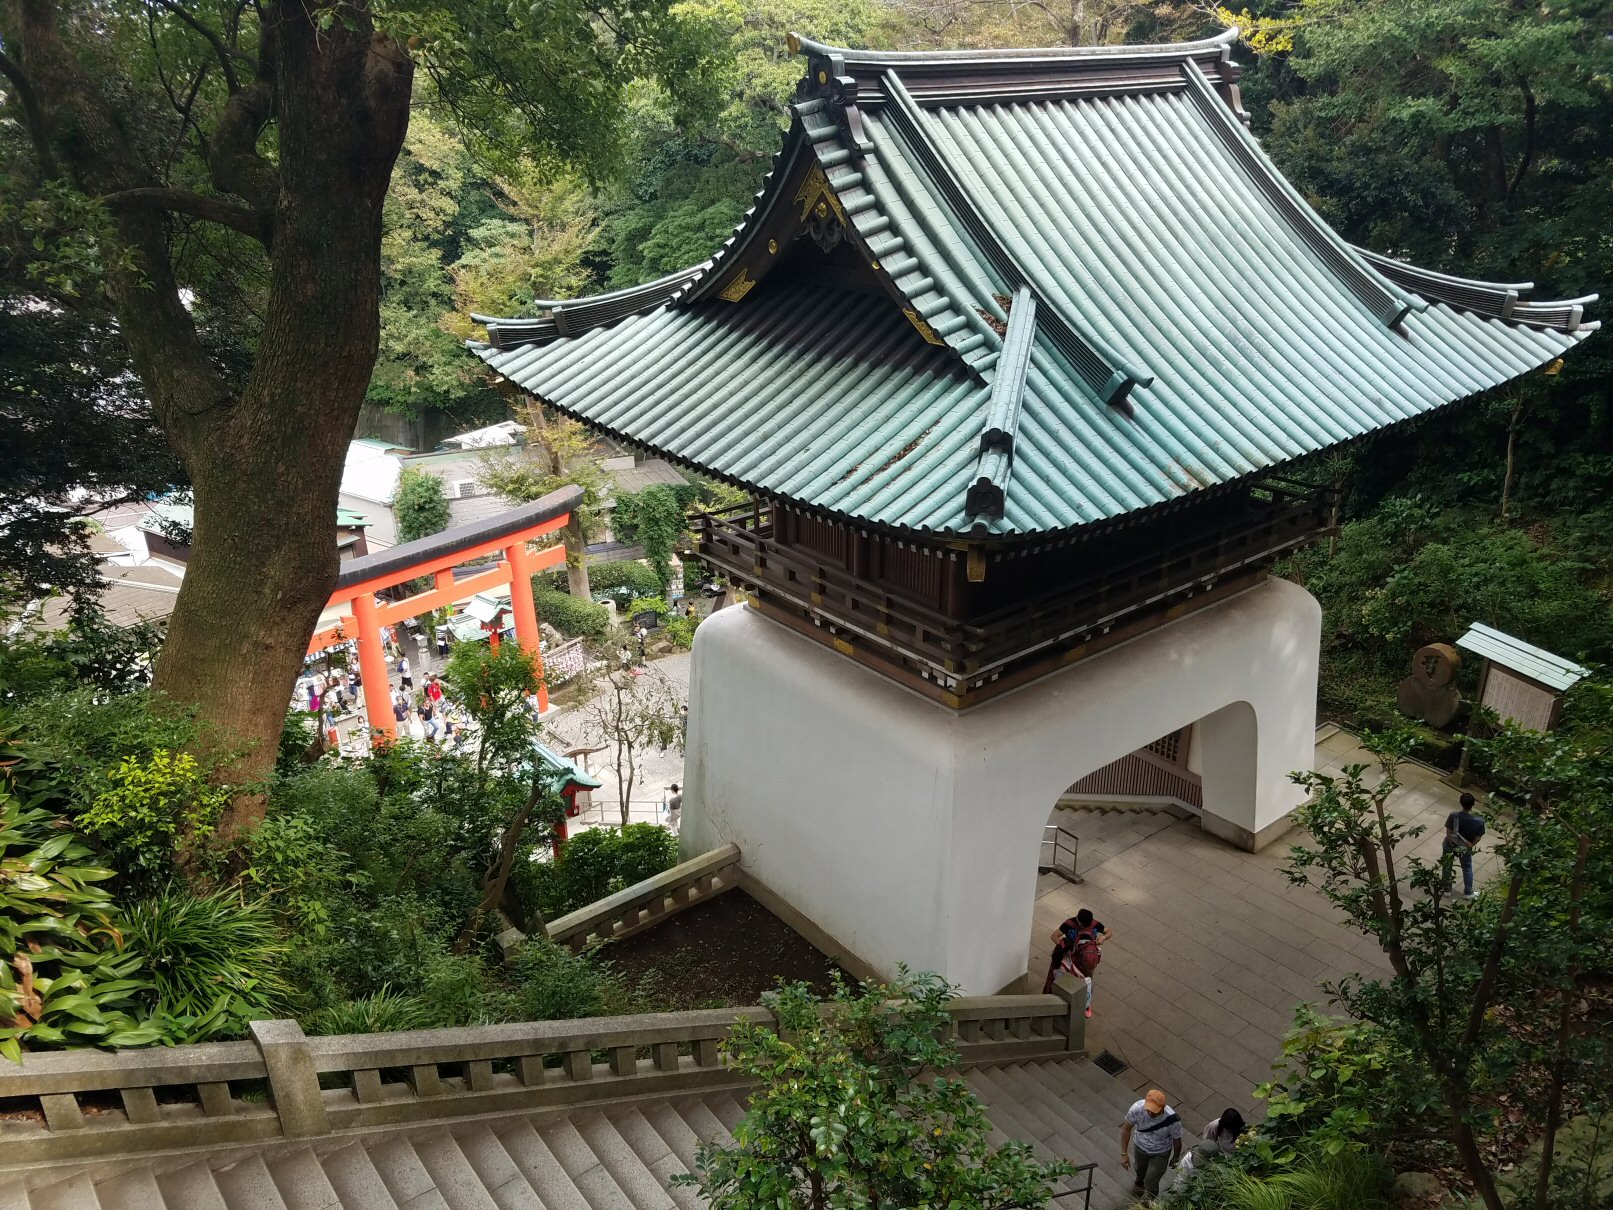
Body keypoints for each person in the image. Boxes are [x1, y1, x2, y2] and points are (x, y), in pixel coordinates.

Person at [1042, 909, 1110, 1015]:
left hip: (1087, 959)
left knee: (1087, 981)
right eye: (1082, 925)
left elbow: (1109, 932)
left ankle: (1086, 1003)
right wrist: (1064, 949)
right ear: (1078, 920)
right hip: (1072, 958)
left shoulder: (1094, 924)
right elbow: (1054, 936)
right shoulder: (1069, 924)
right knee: (1068, 981)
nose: (1084, 927)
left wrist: (1103, 937)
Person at [1121, 1089, 1183, 1202]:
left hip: (1160, 1153)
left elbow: (1177, 1140)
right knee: (1139, 1169)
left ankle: (1147, 1202)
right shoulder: (1137, 1108)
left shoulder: (1172, 1120)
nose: (1150, 1113)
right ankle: (1139, 1181)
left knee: (1151, 1181)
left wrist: (1176, 1157)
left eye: (1155, 1111)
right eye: (1149, 1109)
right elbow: (1126, 1129)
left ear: (1163, 1108)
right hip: (1140, 1146)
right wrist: (1124, 1153)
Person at [1175, 1108, 1245, 1180]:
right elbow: (1208, 1142)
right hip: (1217, 1154)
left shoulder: (1244, 1133)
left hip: (1235, 1159)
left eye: (1230, 1129)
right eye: (1226, 1128)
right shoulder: (1216, 1125)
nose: (1227, 1131)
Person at [1443, 792, 1486, 899]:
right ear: (1473, 804)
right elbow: (1478, 837)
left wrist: (1452, 842)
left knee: (1447, 866)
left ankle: (1447, 890)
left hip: (1450, 844)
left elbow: (1448, 831)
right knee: (1467, 868)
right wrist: (1470, 845)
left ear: (1460, 803)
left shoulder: (1454, 815)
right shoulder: (1479, 820)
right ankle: (1468, 892)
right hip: (1465, 848)